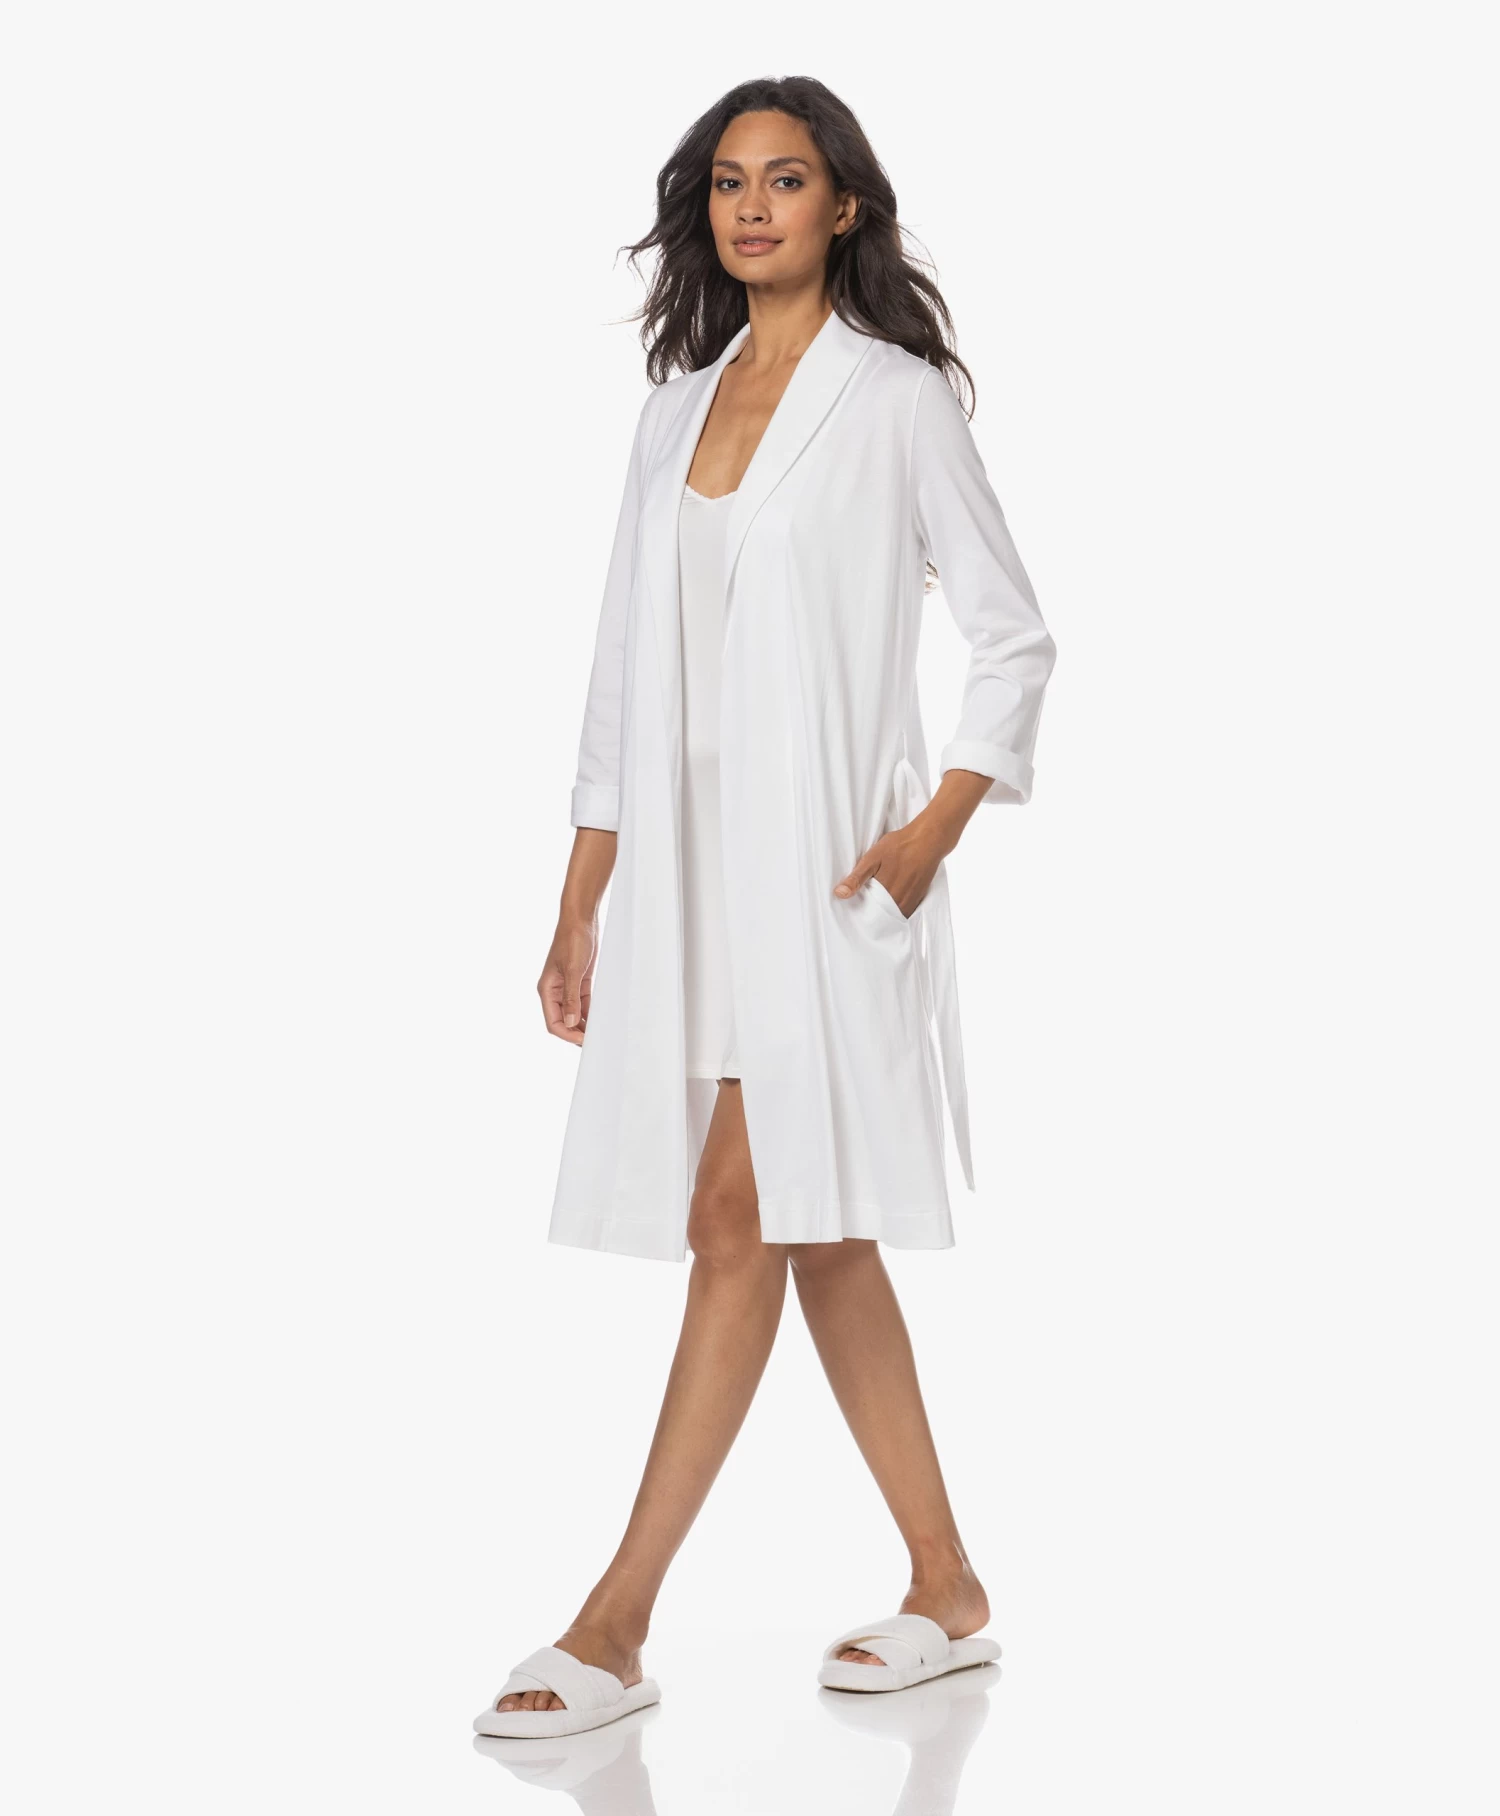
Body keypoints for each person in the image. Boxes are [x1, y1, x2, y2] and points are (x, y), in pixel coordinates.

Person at [476, 74, 1057, 1739]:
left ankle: (612, 1622)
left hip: (831, 880)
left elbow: (1014, 635)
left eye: (786, 180)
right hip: (687, 884)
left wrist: (932, 834)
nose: (751, 206)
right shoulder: (673, 411)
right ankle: (947, 1583)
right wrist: (580, 902)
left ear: (842, 206)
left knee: (740, 1218)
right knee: (820, 1235)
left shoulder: (895, 400)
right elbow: (619, 670)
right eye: (729, 181)